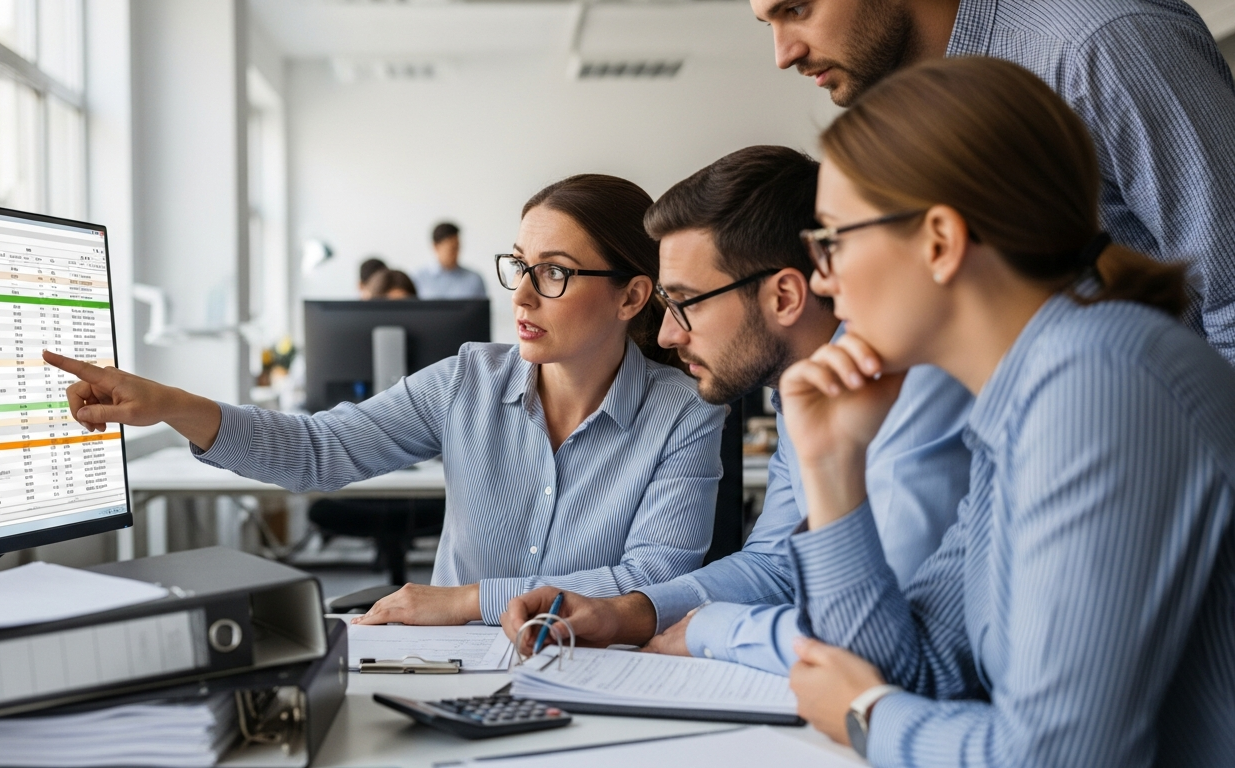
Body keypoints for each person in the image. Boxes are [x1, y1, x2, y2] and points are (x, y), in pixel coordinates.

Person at [778, 57, 1235, 766]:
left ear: (939, 241)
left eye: (832, 239)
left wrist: (867, 716)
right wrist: (833, 466)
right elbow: (919, 672)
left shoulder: (1096, 379)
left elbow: (1058, 756)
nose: (821, 278)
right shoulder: (1024, 402)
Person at [44, 174, 726, 626]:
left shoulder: (684, 414)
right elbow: (318, 451)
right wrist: (170, 404)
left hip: (601, 668)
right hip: (455, 667)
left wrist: (467, 601)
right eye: (520, 265)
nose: (520, 295)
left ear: (631, 296)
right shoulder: (467, 382)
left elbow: (652, 580)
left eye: (553, 272)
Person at [504, 147, 973, 674]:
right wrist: (629, 614)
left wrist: (713, 629)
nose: (666, 334)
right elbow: (775, 566)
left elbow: (881, 634)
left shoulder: (907, 388)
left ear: (785, 298)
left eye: (686, 302)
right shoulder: (800, 389)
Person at [751, 0, 1235, 366]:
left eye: (797, 8)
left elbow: (1231, 298)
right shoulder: (913, 115)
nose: (783, 54)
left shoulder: (1098, 46)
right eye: (767, 24)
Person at [413, 222, 487, 299]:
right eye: (451, 249)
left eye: (457, 248)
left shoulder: (474, 279)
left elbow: (482, 306)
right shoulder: (419, 278)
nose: (456, 253)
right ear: (436, 246)